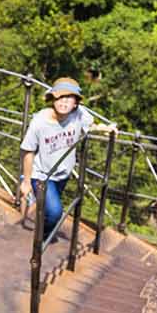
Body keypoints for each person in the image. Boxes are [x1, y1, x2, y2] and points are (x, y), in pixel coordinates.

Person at [19, 77, 101, 239]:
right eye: (60, 97)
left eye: (69, 98)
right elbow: (28, 151)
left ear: (76, 103)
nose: (64, 102)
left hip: (63, 174)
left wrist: (108, 129)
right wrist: (27, 181)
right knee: (56, 213)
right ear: (53, 99)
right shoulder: (40, 121)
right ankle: (42, 238)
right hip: (42, 174)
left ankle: (38, 213)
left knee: (49, 208)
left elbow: (91, 127)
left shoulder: (79, 114)